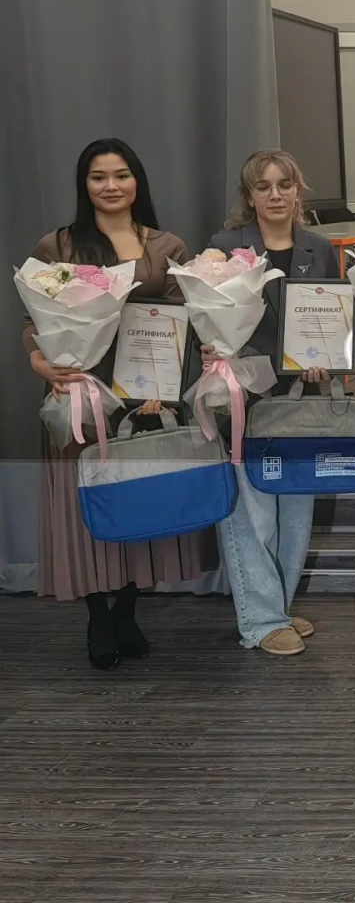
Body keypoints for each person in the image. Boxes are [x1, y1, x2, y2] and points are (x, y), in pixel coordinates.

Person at [24, 138, 209, 670]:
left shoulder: (168, 245)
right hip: (78, 393)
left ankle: (127, 609)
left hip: (146, 395)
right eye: (98, 176)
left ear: (137, 181)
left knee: (136, 500)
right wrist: (39, 362)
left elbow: (187, 324)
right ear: (84, 185)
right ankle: (97, 615)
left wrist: (164, 389)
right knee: (85, 501)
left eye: (121, 175)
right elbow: (33, 320)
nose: (111, 186)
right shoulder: (58, 245)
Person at [205, 149, 338, 656]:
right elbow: (206, 318)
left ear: (298, 191)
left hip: (302, 395)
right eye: (263, 186)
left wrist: (329, 359)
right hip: (245, 396)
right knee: (252, 514)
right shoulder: (224, 249)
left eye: (285, 184)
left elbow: (333, 317)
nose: (275, 194)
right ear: (249, 196)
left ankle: (277, 604)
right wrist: (211, 348)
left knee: (296, 510)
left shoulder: (318, 249)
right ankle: (261, 622)